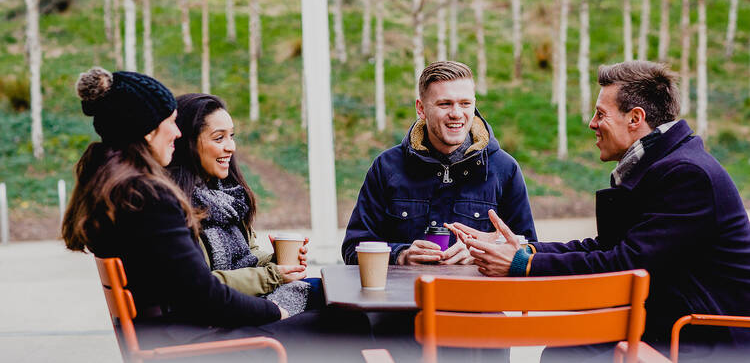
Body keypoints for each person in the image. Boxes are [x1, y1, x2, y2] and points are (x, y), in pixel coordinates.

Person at [448, 61, 750, 361]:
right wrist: (522, 249)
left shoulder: (686, 175)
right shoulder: (661, 165)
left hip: (705, 336)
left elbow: (627, 263)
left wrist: (522, 266)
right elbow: (608, 248)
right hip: (671, 321)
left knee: (565, 356)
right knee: (562, 353)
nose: (592, 123)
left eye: (601, 114)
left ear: (635, 118)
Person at [61, 68, 369, 361]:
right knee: (347, 323)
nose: (176, 132)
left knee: (329, 308)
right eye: (170, 121)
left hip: (173, 338)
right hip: (194, 346)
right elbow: (204, 296)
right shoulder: (149, 199)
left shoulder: (115, 190)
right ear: (147, 131)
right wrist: (275, 312)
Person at [342, 60, 537, 266]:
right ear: (421, 109)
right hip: (404, 297)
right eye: (445, 104)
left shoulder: (505, 169)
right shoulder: (386, 167)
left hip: (476, 297)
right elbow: (353, 249)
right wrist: (401, 255)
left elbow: (529, 251)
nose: (456, 113)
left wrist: (480, 255)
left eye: (465, 103)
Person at [167, 93, 323, 315]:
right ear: (187, 143)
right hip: (224, 314)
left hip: (245, 302)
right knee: (339, 314)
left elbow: (248, 256)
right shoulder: (177, 208)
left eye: (231, 136)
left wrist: (276, 262)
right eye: (219, 138)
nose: (230, 147)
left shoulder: (228, 197)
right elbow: (204, 284)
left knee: (332, 295)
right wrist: (273, 275)